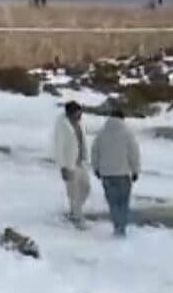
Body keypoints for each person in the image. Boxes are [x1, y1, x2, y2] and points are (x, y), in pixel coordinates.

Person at [91, 108, 142, 237]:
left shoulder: (101, 133)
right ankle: (121, 228)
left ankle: (117, 225)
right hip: (123, 174)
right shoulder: (127, 133)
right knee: (123, 202)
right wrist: (135, 170)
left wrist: (96, 168)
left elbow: (95, 152)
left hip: (107, 174)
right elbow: (134, 153)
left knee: (113, 202)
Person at [51, 101, 90, 225]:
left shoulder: (80, 124)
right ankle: (77, 217)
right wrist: (63, 166)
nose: (80, 115)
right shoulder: (62, 125)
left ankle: (75, 210)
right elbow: (58, 146)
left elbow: (82, 141)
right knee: (73, 192)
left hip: (80, 162)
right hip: (69, 164)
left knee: (86, 188)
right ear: (70, 113)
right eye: (77, 113)